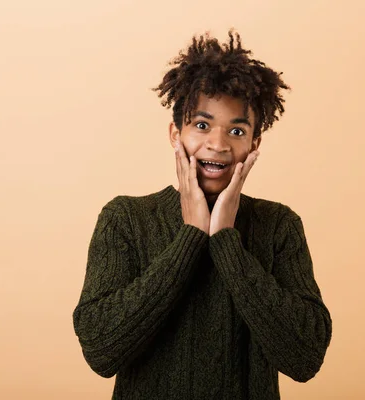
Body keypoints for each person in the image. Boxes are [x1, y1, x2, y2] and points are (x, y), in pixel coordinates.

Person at [72, 28, 332, 400]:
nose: (218, 143)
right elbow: (101, 349)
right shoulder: (125, 218)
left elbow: (305, 358)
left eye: (237, 130)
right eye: (202, 124)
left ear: (254, 144)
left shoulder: (278, 226)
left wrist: (226, 240)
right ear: (175, 134)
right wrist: (191, 236)